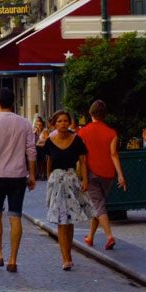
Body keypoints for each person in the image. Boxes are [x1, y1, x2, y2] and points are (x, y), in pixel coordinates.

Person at [0, 87, 36, 273]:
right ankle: (13, 259)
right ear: (13, 102)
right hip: (18, 176)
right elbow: (31, 151)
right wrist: (32, 174)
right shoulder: (25, 123)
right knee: (15, 216)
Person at [44, 110, 95, 271]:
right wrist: (49, 179)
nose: (63, 124)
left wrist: (85, 180)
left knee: (70, 220)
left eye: (65, 121)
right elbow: (49, 161)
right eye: (59, 121)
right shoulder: (50, 141)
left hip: (72, 180)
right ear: (54, 123)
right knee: (61, 220)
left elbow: (83, 161)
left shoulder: (77, 140)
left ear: (69, 122)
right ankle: (65, 258)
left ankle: (69, 253)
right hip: (57, 181)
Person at [79, 100, 127, 251]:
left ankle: (109, 237)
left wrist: (83, 176)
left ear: (90, 113)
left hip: (91, 172)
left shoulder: (83, 132)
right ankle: (90, 237)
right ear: (105, 115)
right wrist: (120, 175)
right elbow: (114, 154)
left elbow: (82, 157)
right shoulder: (112, 133)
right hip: (108, 173)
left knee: (98, 206)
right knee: (98, 205)